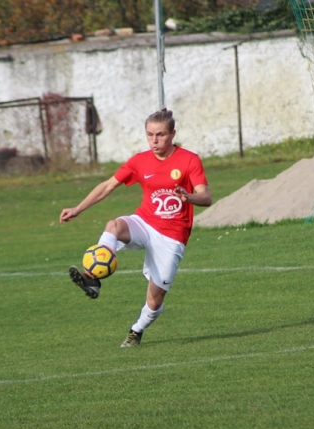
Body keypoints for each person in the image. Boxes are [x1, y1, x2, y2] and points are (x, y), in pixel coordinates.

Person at [60, 108, 212, 347]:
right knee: (115, 225)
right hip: (144, 222)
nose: (154, 140)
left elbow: (206, 197)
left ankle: (136, 330)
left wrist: (189, 197)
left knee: (155, 298)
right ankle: (92, 279)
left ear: (172, 134)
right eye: (150, 134)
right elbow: (108, 186)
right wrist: (78, 208)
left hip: (172, 235)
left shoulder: (189, 160)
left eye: (160, 134)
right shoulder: (140, 161)